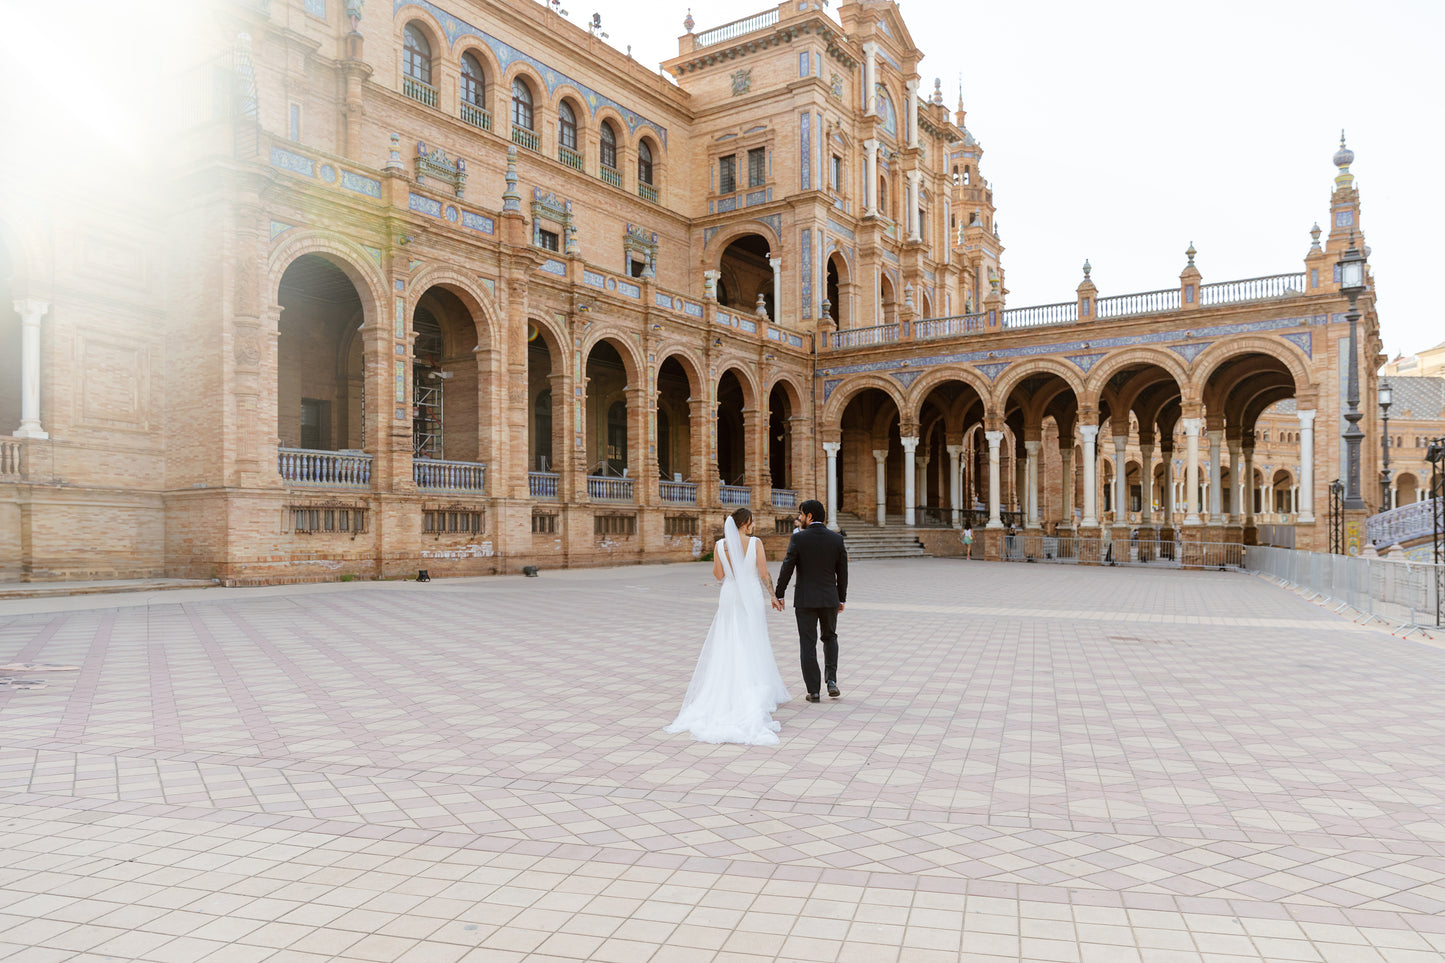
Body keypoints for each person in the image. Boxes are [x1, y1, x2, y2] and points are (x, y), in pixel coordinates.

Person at [665, 508, 791, 745]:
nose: (752, 526)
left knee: (729, 639)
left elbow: (718, 574)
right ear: (746, 524)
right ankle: (752, 688)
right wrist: (773, 595)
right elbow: (763, 573)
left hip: (730, 593)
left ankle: (727, 687)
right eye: (751, 522)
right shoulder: (755, 543)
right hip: (751, 595)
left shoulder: (720, 545)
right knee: (753, 639)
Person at [775, 499, 848, 703]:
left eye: (801, 514)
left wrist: (779, 594)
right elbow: (842, 573)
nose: (799, 518)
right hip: (829, 598)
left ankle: (813, 691)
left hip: (805, 599)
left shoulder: (799, 539)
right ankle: (831, 681)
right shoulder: (837, 540)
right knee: (830, 637)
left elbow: (787, 567)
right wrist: (841, 598)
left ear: (809, 516)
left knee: (808, 644)